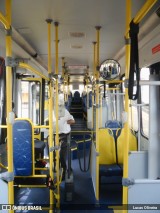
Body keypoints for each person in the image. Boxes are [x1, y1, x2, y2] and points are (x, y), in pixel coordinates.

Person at [53, 94, 75, 180]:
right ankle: (56, 169)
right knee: (54, 154)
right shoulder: (52, 112)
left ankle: (64, 169)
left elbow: (73, 121)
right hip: (55, 135)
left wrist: (66, 122)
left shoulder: (65, 112)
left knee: (62, 155)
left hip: (64, 135)